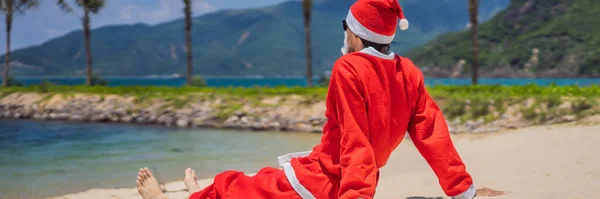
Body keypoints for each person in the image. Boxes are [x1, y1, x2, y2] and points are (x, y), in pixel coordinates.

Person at [136, 0, 478, 198]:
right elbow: (433, 134)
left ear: (356, 34)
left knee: (234, 186)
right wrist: (462, 189)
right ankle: (197, 191)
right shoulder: (409, 71)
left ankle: (165, 197)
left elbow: (354, 140)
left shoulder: (349, 68)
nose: (344, 32)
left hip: (323, 183)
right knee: (248, 181)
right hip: (350, 182)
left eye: (347, 26)